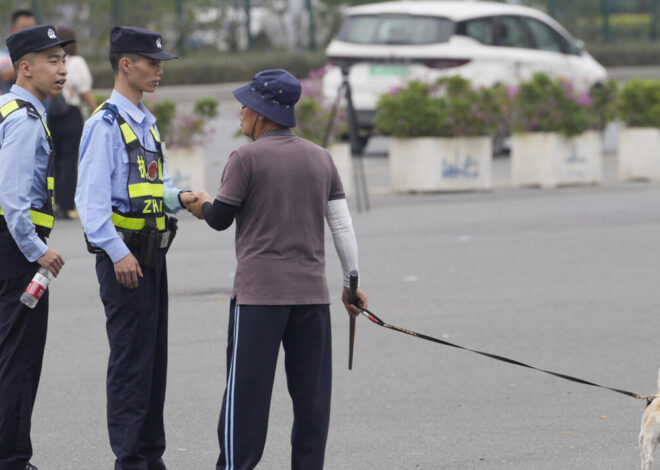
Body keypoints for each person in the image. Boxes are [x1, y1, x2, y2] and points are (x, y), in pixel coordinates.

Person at [187, 69, 368, 470]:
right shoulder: (321, 158)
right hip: (312, 300)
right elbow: (342, 225)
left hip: (259, 301)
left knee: (246, 398)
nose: (240, 114)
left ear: (262, 113)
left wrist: (198, 203)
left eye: (245, 106)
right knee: (312, 400)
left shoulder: (244, 158)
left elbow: (220, 218)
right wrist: (350, 284)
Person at [74, 26, 197, 470]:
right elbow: (89, 203)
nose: (158, 70)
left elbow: (149, 186)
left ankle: (150, 454)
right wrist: (117, 252)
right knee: (130, 365)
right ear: (126, 64)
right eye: (152, 62)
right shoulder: (103, 125)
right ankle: (130, 459)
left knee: (153, 363)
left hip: (151, 256)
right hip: (124, 260)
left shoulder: (144, 122)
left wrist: (180, 198)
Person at [0, 24, 71, 470]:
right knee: (18, 359)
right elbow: (13, 197)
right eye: (52, 60)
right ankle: (11, 458)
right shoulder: (24, 121)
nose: (62, 69)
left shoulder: (8, 108)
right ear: (25, 69)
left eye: (63, 59)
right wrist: (35, 249)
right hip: (15, 252)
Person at [47, 26, 95, 220]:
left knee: (55, 161)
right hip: (71, 113)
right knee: (69, 160)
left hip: (54, 114)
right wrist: (97, 109)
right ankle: (67, 205)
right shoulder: (77, 62)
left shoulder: (51, 62)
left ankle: (55, 203)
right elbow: (85, 91)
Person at [0, 10, 37, 94]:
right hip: (14, 104)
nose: (29, 32)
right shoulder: (3, 54)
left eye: (32, 28)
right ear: (13, 30)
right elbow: (6, 76)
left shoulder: (41, 51)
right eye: (24, 28)